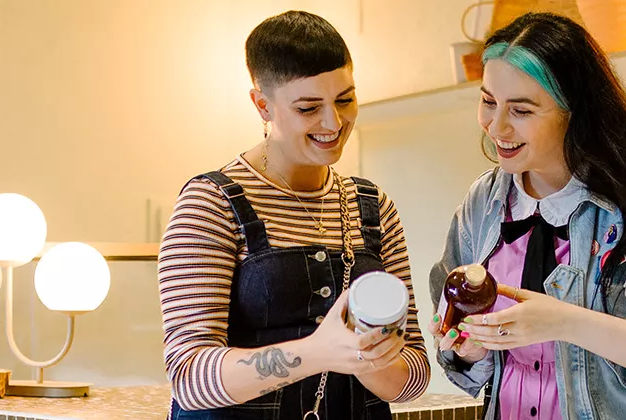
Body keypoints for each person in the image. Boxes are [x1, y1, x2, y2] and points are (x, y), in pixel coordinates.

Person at [429, 12, 626, 420]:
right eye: (488, 102)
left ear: (574, 112)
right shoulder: (483, 204)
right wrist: (471, 350)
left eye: (521, 111)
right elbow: (471, 366)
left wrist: (565, 322)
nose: (496, 126)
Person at [157, 10, 428, 419]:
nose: (333, 122)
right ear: (262, 104)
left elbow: (414, 373)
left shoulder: (373, 207)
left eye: (345, 99)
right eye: (308, 108)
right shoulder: (210, 203)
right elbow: (190, 377)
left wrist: (370, 356)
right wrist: (319, 352)